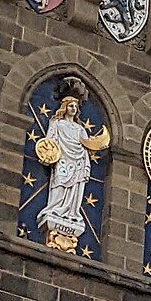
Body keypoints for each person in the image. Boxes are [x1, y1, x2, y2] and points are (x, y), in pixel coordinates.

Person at [33, 90, 111, 253]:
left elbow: (86, 144)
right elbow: (51, 141)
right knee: (60, 183)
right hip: (63, 159)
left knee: (75, 190)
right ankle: (56, 209)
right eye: (71, 105)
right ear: (65, 107)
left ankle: (71, 213)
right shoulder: (57, 123)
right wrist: (47, 155)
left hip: (78, 161)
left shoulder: (80, 128)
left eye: (76, 106)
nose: (74, 108)